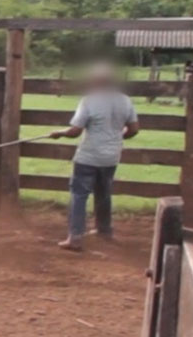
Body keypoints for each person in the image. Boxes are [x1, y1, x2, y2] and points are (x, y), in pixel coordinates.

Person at [48, 62, 139, 251]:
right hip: (111, 156)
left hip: (89, 156)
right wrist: (116, 138)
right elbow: (134, 129)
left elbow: (75, 131)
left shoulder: (89, 101)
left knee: (79, 195)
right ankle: (104, 230)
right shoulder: (125, 100)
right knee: (104, 193)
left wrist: (59, 133)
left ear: (96, 80)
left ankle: (75, 237)